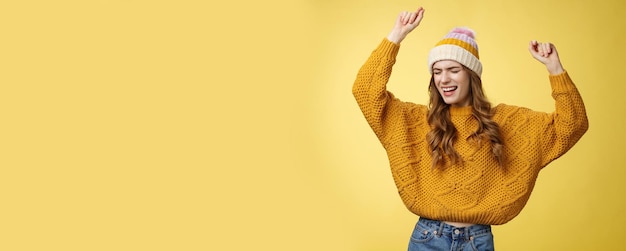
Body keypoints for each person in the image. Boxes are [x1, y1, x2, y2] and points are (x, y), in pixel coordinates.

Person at [352, 6, 588, 251]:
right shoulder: (415, 120)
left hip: (478, 241)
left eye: (454, 70)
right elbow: (365, 90)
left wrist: (554, 68)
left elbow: (573, 124)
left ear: (472, 76)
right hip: (427, 239)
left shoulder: (507, 121)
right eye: (437, 71)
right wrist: (396, 35)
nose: (444, 79)